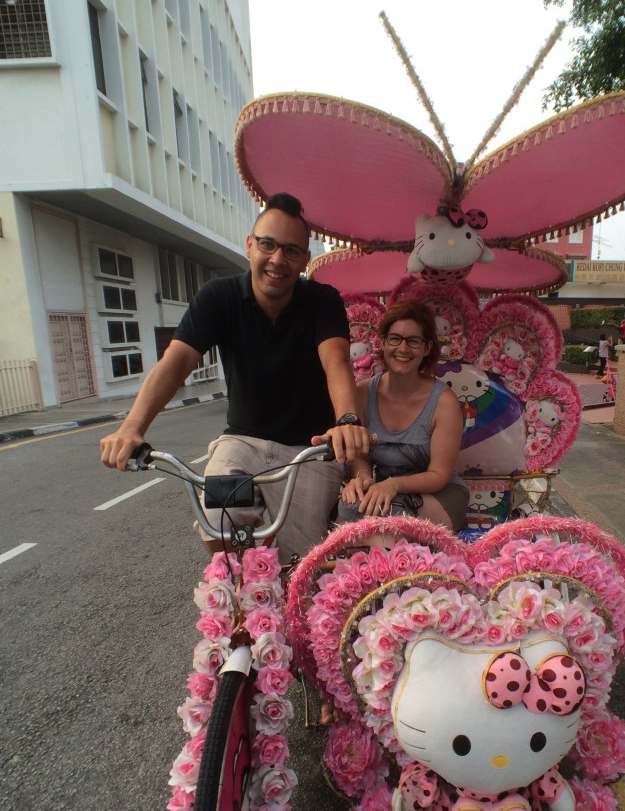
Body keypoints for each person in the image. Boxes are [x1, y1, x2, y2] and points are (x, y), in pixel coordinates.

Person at [99, 192, 369, 563]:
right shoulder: (218, 297)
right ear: (250, 245)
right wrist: (133, 427)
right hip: (242, 441)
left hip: (309, 449)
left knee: (303, 561)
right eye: (268, 245)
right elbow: (176, 362)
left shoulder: (321, 300)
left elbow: (336, 359)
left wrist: (347, 421)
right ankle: (241, 597)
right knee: (219, 522)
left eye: (291, 251)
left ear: (305, 259)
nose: (277, 260)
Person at [336, 300, 469, 531]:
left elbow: (438, 474)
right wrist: (362, 480)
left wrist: (394, 485)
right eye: (395, 338)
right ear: (383, 342)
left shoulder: (444, 402)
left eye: (413, 341)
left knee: (386, 517)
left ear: (427, 348)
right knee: (349, 506)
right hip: (385, 492)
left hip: (437, 495)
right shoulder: (362, 392)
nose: (403, 349)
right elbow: (360, 457)